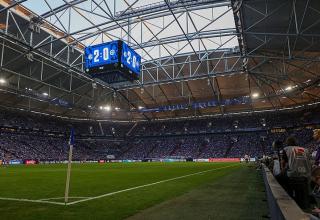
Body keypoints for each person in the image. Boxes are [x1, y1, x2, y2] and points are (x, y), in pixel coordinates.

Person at [282, 136, 311, 209]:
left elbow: (283, 163)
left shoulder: (286, 149)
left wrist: (283, 170)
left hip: (293, 175)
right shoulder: (305, 150)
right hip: (306, 176)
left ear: (287, 143)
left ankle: (287, 201)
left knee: (279, 178)